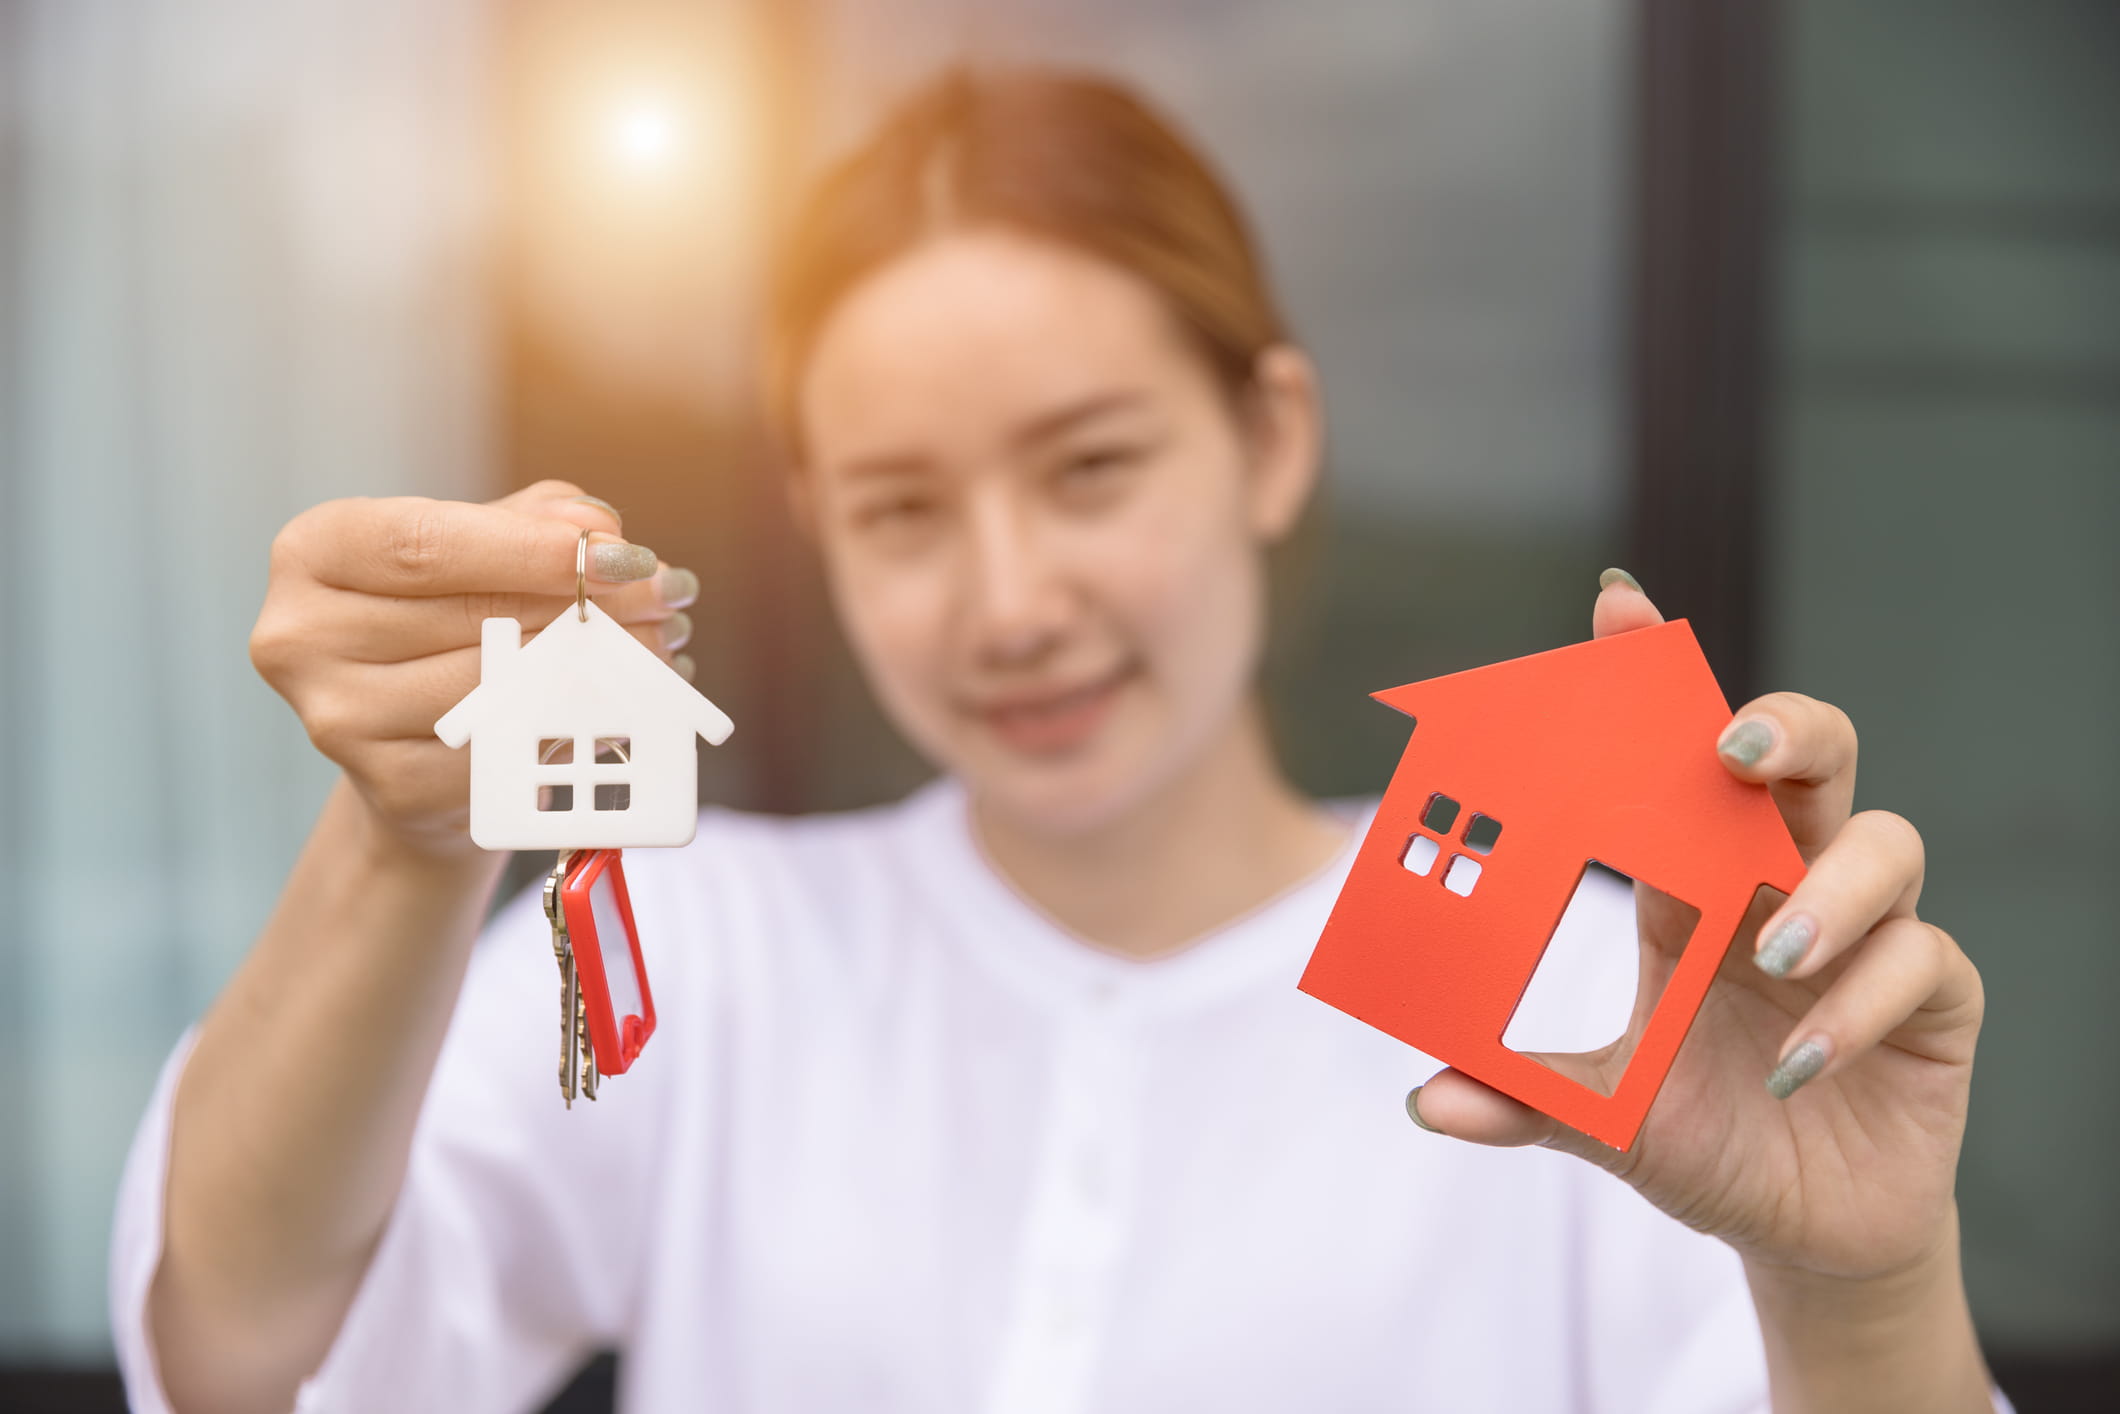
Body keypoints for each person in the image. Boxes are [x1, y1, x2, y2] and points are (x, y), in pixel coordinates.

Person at [112, 68, 2001, 1413]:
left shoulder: (1601, 983)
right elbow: (242, 1355)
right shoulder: (701, 947)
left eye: (1091, 466)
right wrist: (404, 835)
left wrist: (1867, 1287)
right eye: (900, 507)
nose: (1006, 598)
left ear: (1268, 437)